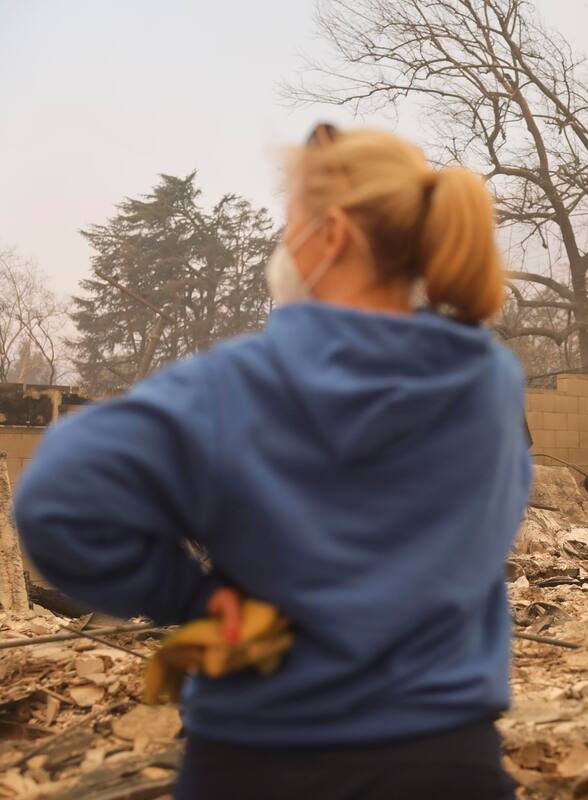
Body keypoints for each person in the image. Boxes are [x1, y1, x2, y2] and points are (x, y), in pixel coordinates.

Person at [14, 124, 531, 799]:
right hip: (449, 759)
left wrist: (188, 599)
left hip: (262, 760)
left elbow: (55, 497)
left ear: (334, 235)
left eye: (290, 226)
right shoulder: (490, 380)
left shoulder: (241, 384)